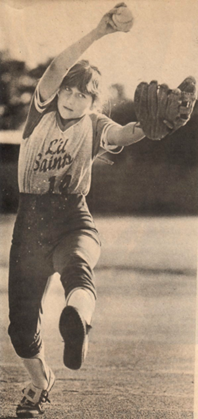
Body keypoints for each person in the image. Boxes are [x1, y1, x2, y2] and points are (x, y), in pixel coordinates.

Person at [8, 4, 146, 417]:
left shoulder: (95, 124)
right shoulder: (39, 114)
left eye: (84, 94)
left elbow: (123, 132)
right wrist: (98, 32)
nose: (72, 97)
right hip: (30, 224)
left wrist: (154, 128)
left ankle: (77, 323)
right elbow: (55, 69)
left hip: (73, 217)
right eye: (70, 90)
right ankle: (40, 381)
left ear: (93, 101)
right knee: (20, 326)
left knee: (79, 269)